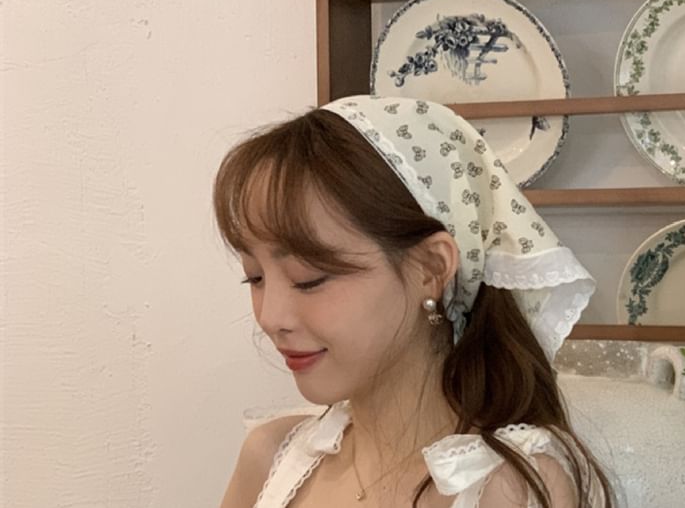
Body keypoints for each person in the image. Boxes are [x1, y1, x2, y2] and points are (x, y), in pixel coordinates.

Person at [214, 95, 613, 508]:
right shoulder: (271, 459)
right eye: (255, 277)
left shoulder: (510, 485)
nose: (271, 316)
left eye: (308, 279)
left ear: (431, 269)